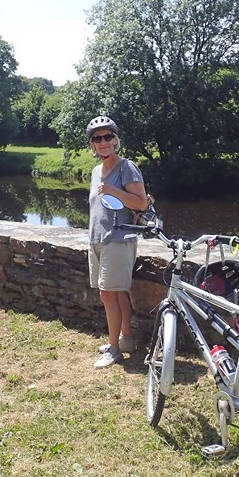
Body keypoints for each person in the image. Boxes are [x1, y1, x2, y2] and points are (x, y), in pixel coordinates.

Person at [86, 115, 148, 368]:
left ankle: (114, 349)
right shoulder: (95, 171)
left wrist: (113, 191)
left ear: (116, 140)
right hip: (98, 238)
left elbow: (140, 203)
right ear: (92, 144)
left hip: (118, 238)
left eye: (107, 136)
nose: (103, 142)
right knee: (116, 293)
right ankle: (126, 339)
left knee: (108, 293)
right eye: (97, 138)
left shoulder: (127, 167)